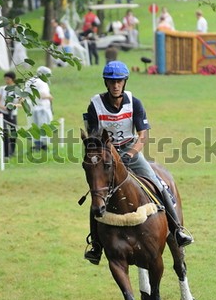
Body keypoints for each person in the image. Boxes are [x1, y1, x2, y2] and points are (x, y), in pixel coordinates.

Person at [83, 61, 193, 265]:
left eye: (119, 81)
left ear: (124, 82)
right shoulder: (95, 106)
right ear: (106, 83)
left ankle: (177, 230)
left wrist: (131, 154)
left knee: (158, 184)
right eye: (112, 81)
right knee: (97, 194)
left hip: (130, 150)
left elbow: (142, 135)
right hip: (107, 154)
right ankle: (96, 246)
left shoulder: (135, 103)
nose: (116, 85)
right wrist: (108, 156)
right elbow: (94, 138)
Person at [25, 66, 53, 151]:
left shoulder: (30, 81)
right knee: (43, 126)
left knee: (35, 126)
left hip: (32, 107)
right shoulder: (41, 82)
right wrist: (50, 97)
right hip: (42, 107)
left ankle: (37, 144)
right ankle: (42, 145)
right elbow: (42, 95)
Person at [0, 71, 19, 158]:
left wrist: (13, 106)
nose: (6, 80)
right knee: (4, 133)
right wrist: (4, 107)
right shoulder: (2, 89)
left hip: (13, 114)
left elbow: (21, 103)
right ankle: (5, 153)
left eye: (8, 79)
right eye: (5, 79)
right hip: (2, 113)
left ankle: (12, 151)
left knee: (13, 132)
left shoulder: (17, 90)